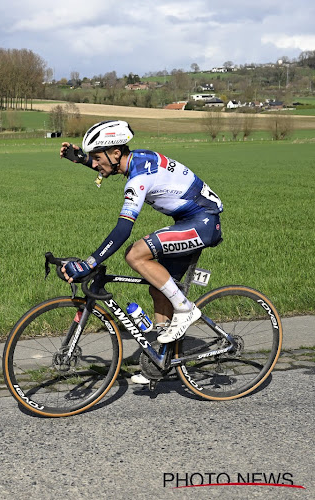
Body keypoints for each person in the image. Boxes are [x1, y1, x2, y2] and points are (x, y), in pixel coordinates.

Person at [59, 120, 223, 384]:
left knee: (134, 254)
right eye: (93, 158)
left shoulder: (138, 179)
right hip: (190, 221)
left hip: (203, 222)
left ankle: (185, 308)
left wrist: (89, 263)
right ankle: (159, 360)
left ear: (115, 153)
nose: (96, 163)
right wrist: (82, 160)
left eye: (97, 157)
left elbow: (123, 230)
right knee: (158, 287)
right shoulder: (135, 160)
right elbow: (111, 167)